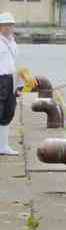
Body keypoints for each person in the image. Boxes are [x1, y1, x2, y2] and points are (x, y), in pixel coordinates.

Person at [0, 12, 19, 156]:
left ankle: (3, 146)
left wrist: (18, 84)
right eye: (6, 25)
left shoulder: (12, 42)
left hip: (11, 80)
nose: (9, 28)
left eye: (11, 25)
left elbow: (14, 64)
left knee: (8, 112)